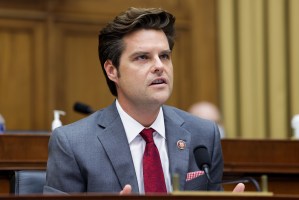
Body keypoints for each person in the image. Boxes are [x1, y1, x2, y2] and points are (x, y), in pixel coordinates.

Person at [43, 7, 244, 194]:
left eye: (164, 56)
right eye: (142, 57)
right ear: (112, 70)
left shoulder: (204, 135)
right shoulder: (73, 144)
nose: (159, 66)